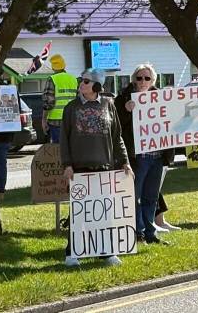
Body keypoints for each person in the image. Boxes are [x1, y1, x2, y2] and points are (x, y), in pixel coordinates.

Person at [60, 68, 131, 266]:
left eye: (86, 81)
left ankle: (106, 251)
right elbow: (64, 140)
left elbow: (117, 137)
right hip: (79, 170)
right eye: (81, 81)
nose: (81, 84)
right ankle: (72, 253)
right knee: (78, 213)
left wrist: (124, 161)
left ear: (98, 86)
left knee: (104, 211)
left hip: (104, 167)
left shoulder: (109, 105)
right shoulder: (71, 108)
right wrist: (67, 165)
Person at [116, 64, 176, 243]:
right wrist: (126, 111)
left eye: (147, 78)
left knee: (151, 197)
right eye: (139, 78)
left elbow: (178, 117)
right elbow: (116, 126)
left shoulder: (162, 98)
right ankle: (138, 231)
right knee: (136, 196)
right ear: (134, 79)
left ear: (153, 81)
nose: (143, 81)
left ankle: (151, 233)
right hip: (137, 157)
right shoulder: (122, 99)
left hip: (157, 156)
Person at [42, 54, 76, 143]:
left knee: (58, 150)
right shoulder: (73, 79)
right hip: (72, 120)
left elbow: (48, 102)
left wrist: (44, 120)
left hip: (56, 121)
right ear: (64, 66)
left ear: (53, 67)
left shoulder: (52, 79)